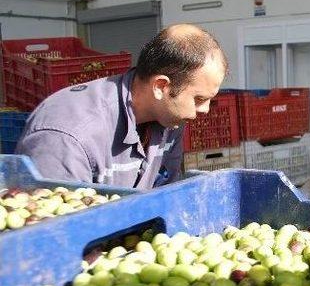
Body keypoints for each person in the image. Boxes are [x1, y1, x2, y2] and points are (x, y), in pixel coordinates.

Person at [16, 24, 228, 189]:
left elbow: (165, 192)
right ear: (160, 86)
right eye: (199, 99)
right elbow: (55, 232)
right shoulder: (67, 136)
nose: (205, 110)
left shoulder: (170, 119)